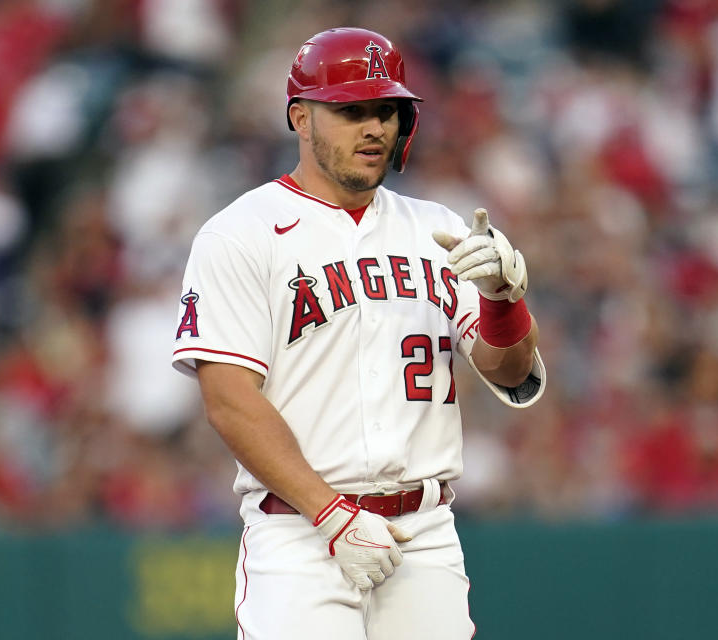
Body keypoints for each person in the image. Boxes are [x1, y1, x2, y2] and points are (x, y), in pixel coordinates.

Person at [172, 27, 546, 640]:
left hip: (423, 535)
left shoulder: (439, 228)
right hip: (299, 532)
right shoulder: (240, 233)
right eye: (350, 111)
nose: (373, 128)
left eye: (386, 111)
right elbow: (230, 401)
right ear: (300, 117)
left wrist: (506, 304)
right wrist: (331, 517)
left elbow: (510, 373)